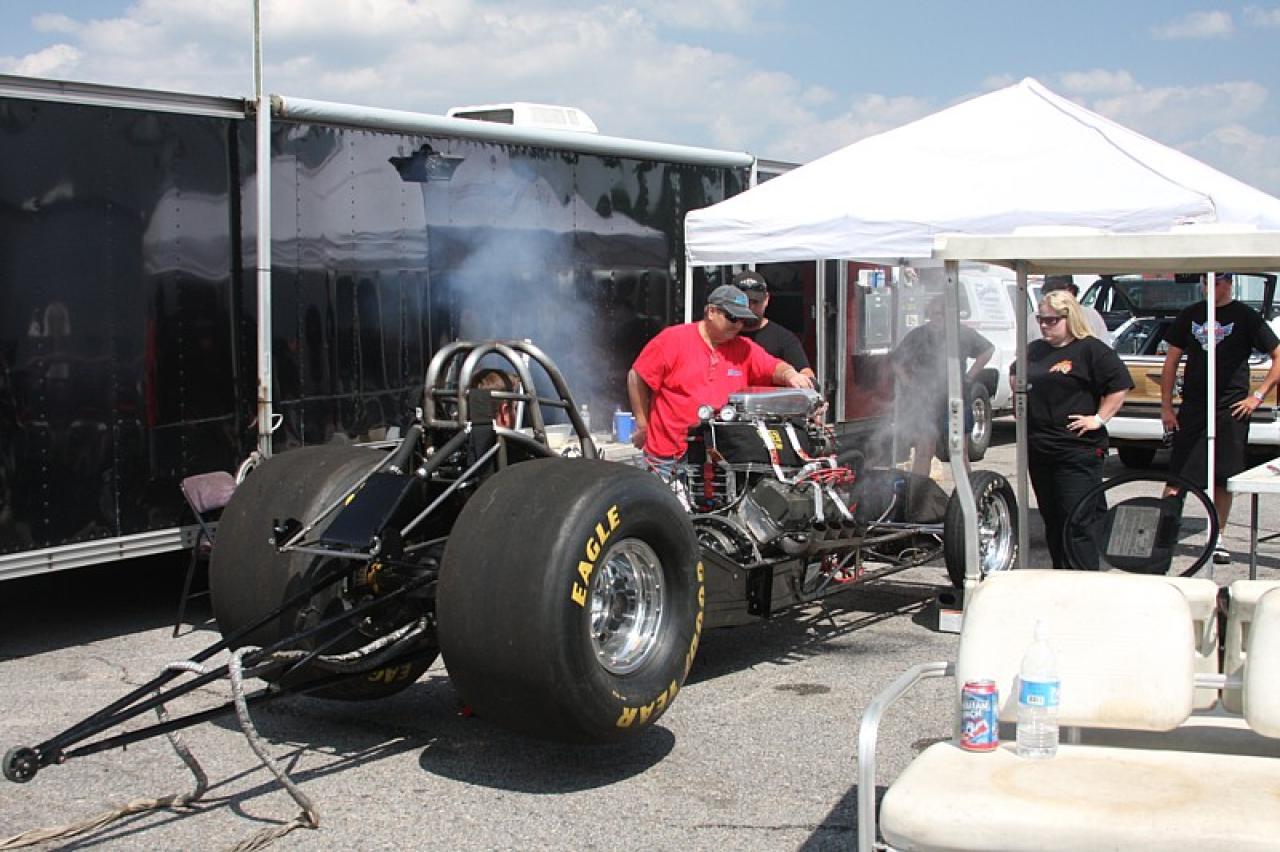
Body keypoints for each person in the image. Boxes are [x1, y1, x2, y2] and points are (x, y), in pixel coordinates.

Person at [1160, 272, 1280, 564]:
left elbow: (1278, 355)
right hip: (1194, 407)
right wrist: (1166, 406)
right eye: (1205, 282)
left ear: (1228, 283)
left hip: (1231, 408)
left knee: (1223, 478)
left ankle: (1218, 537)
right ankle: (1162, 535)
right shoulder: (1191, 314)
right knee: (1178, 476)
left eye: (1215, 282)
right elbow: (1171, 361)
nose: (1209, 288)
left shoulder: (1246, 316)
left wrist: (1257, 396)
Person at [627, 283, 813, 471]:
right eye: (732, 318)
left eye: (742, 320)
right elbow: (637, 376)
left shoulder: (745, 348)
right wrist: (642, 425)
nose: (738, 325)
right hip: (668, 456)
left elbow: (774, 366)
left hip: (720, 456)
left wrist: (790, 374)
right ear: (711, 311)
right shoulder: (673, 339)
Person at [1023, 290, 1132, 569]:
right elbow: (1017, 373)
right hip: (1040, 446)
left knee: (1077, 520)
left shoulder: (1090, 349)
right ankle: (1060, 575)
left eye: (1051, 320)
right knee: (1053, 520)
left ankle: (1082, 579)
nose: (1044, 325)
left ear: (1068, 317)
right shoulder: (1035, 350)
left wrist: (1098, 419)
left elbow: (1119, 385)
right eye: (1040, 319)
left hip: (1077, 449)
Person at [894, 295, 995, 477]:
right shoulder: (918, 334)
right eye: (933, 313)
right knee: (923, 452)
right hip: (926, 401)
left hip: (956, 398)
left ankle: (967, 492)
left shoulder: (962, 333)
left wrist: (970, 375)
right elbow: (897, 361)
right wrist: (909, 384)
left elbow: (988, 350)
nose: (936, 318)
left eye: (941, 313)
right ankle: (918, 491)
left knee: (959, 453)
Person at [731, 270, 816, 379]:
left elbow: (805, 372)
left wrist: (802, 379)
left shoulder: (784, 339)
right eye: (744, 302)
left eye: (755, 302)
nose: (750, 307)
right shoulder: (724, 335)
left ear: (766, 299)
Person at [1035, 276, 1111, 345]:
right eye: (1049, 290)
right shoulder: (1033, 319)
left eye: (1058, 290)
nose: (1043, 325)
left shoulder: (1091, 315)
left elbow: (1105, 349)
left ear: (1071, 291)